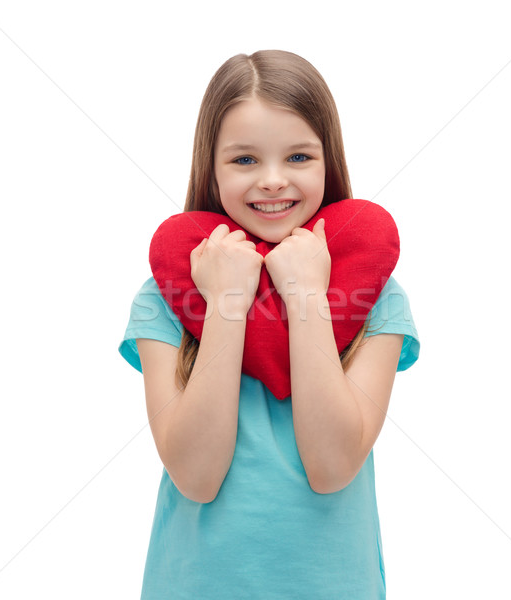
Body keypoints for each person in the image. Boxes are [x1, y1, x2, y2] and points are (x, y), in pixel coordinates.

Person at [119, 49, 420, 600]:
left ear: (329, 161)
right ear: (210, 168)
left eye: (299, 156)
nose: (274, 181)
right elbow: (196, 475)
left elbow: (331, 466)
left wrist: (306, 294)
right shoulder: (164, 296)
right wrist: (229, 301)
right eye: (244, 161)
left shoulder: (377, 297)